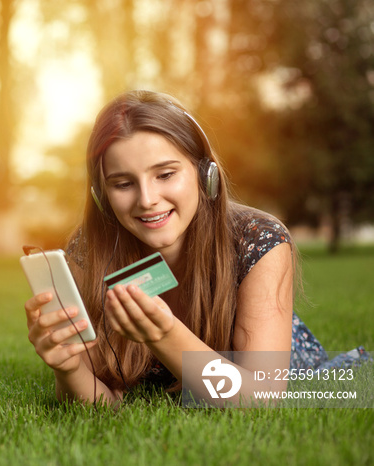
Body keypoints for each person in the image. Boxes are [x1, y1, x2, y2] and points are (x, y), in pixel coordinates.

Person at [23, 89, 369, 405]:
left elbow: (259, 400)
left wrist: (164, 333)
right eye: (124, 183)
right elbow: (104, 403)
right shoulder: (89, 250)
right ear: (102, 197)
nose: (147, 200)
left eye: (166, 174)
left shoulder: (260, 239)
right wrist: (69, 369)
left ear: (206, 175)